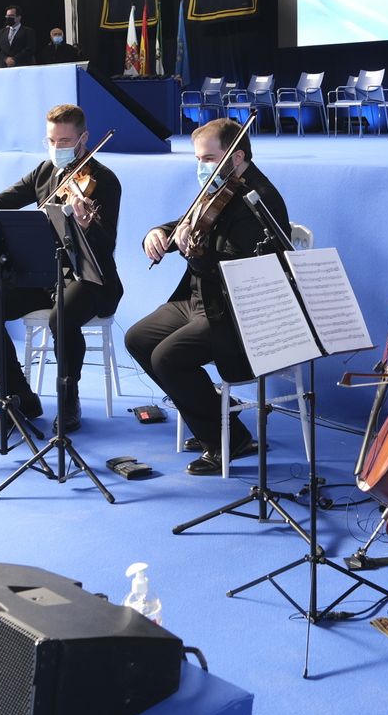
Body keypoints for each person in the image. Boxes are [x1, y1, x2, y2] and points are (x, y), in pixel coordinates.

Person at [125, 118, 291, 475]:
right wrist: (160, 232)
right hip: (201, 299)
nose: (201, 167)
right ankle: (214, 418)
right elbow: (190, 220)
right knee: (137, 339)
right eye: (198, 159)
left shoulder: (259, 200)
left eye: (209, 158)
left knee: (168, 358)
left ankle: (225, 440)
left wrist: (195, 253)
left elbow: (242, 273)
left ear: (237, 156)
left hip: (236, 311)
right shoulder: (221, 184)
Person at [0, 104, 122, 434]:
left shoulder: (104, 181)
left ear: (84, 139)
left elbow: (105, 245)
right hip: (45, 274)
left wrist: (85, 225)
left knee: (60, 317)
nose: (57, 148)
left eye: (65, 141)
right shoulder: (45, 171)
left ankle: (69, 399)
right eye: (51, 141)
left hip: (89, 278)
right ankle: (19, 398)